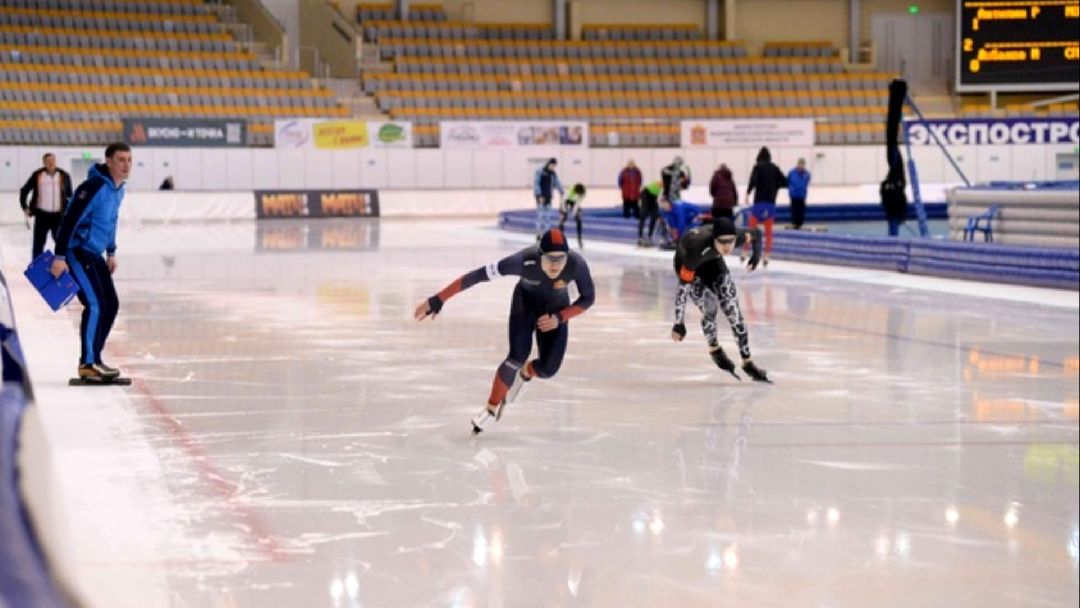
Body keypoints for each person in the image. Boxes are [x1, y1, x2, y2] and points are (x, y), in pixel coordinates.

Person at [414, 228, 595, 434]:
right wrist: (438, 299)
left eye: (560, 259)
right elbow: (478, 275)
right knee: (516, 356)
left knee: (548, 370)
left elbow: (588, 298)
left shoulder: (576, 264)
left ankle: (526, 372)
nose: (555, 265)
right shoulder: (523, 260)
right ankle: (491, 408)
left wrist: (560, 317)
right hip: (525, 304)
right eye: (550, 259)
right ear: (539, 255)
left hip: (556, 310)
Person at [50, 143, 132, 381]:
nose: (126, 165)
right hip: (77, 251)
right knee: (95, 304)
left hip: (95, 254)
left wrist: (111, 251)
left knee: (111, 305)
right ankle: (87, 363)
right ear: (109, 161)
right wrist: (60, 256)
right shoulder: (94, 186)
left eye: (129, 160)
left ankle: (95, 358)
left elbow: (112, 220)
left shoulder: (118, 189)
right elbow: (70, 219)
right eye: (121, 160)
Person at [671, 217, 770, 383]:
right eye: (722, 242)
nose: (727, 246)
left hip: (713, 261)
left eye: (730, 241)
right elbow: (682, 289)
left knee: (733, 310)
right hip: (689, 263)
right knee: (710, 307)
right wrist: (679, 323)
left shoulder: (738, 236)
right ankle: (714, 348)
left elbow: (757, 234)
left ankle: (748, 361)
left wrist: (756, 255)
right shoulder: (696, 247)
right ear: (714, 239)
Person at [19, 152, 73, 259]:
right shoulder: (38, 175)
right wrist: (25, 207)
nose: (51, 163)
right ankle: (36, 265)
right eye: (48, 161)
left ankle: (64, 264)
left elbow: (70, 195)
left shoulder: (64, 175)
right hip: (42, 215)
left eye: (53, 160)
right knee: (38, 243)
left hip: (59, 215)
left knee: (61, 242)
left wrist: (70, 212)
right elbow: (24, 190)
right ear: (44, 162)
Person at [745, 147, 786, 267]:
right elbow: (784, 182)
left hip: (759, 202)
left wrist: (748, 193)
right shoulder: (775, 168)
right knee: (768, 231)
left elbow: (753, 180)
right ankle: (767, 254)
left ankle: (746, 251)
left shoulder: (757, 167)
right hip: (770, 203)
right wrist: (775, 187)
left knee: (751, 229)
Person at [533, 158, 564, 238]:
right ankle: (538, 234)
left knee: (548, 217)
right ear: (548, 164)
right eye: (552, 165)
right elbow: (536, 184)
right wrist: (539, 195)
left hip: (548, 196)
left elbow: (556, 183)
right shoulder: (540, 172)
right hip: (541, 197)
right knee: (540, 216)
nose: (553, 167)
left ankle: (546, 234)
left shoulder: (553, 174)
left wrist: (561, 190)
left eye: (554, 166)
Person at [880, 162, 908, 237]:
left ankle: (892, 238)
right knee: (893, 226)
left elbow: (883, 194)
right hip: (894, 209)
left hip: (892, 209)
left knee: (892, 225)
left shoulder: (886, 184)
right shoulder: (896, 185)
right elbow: (902, 199)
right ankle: (893, 239)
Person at [558, 183, 587, 248]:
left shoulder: (583, 194)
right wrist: (564, 212)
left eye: (580, 195)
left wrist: (574, 213)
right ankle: (560, 240)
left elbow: (577, 204)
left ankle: (579, 239)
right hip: (565, 201)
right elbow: (563, 201)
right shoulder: (570, 191)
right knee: (563, 219)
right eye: (578, 194)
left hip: (574, 203)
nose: (579, 195)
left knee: (579, 219)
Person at [786, 158, 811, 229]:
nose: (801, 166)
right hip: (794, 195)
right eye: (800, 164)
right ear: (797, 164)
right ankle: (794, 223)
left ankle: (800, 223)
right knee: (794, 210)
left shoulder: (807, 174)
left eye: (802, 164)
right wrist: (791, 189)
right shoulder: (792, 173)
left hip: (802, 195)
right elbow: (788, 181)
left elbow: (807, 182)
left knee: (801, 211)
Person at [637, 181, 663, 247]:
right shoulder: (661, 185)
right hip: (646, 194)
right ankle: (641, 237)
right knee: (643, 216)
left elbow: (659, 200)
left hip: (652, 196)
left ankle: (649, 236)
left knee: (653, 216)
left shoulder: (661, 188)